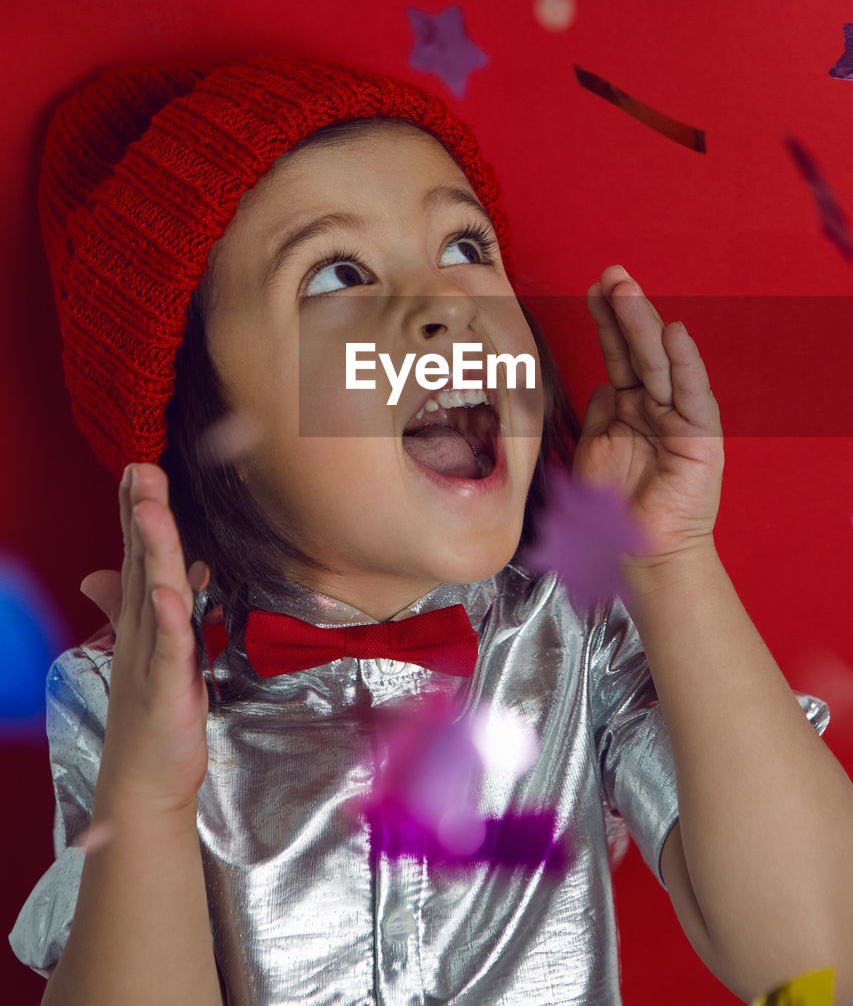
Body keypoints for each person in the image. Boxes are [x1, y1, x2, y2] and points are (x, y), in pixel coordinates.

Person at [7, 55, 848, 1006]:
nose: (447, 306)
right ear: (206, 430)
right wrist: (150, 801)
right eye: (337, 274)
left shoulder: (581, 637)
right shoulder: (117, 704)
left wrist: (670, 562)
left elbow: (823, 958)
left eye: (463, 247)